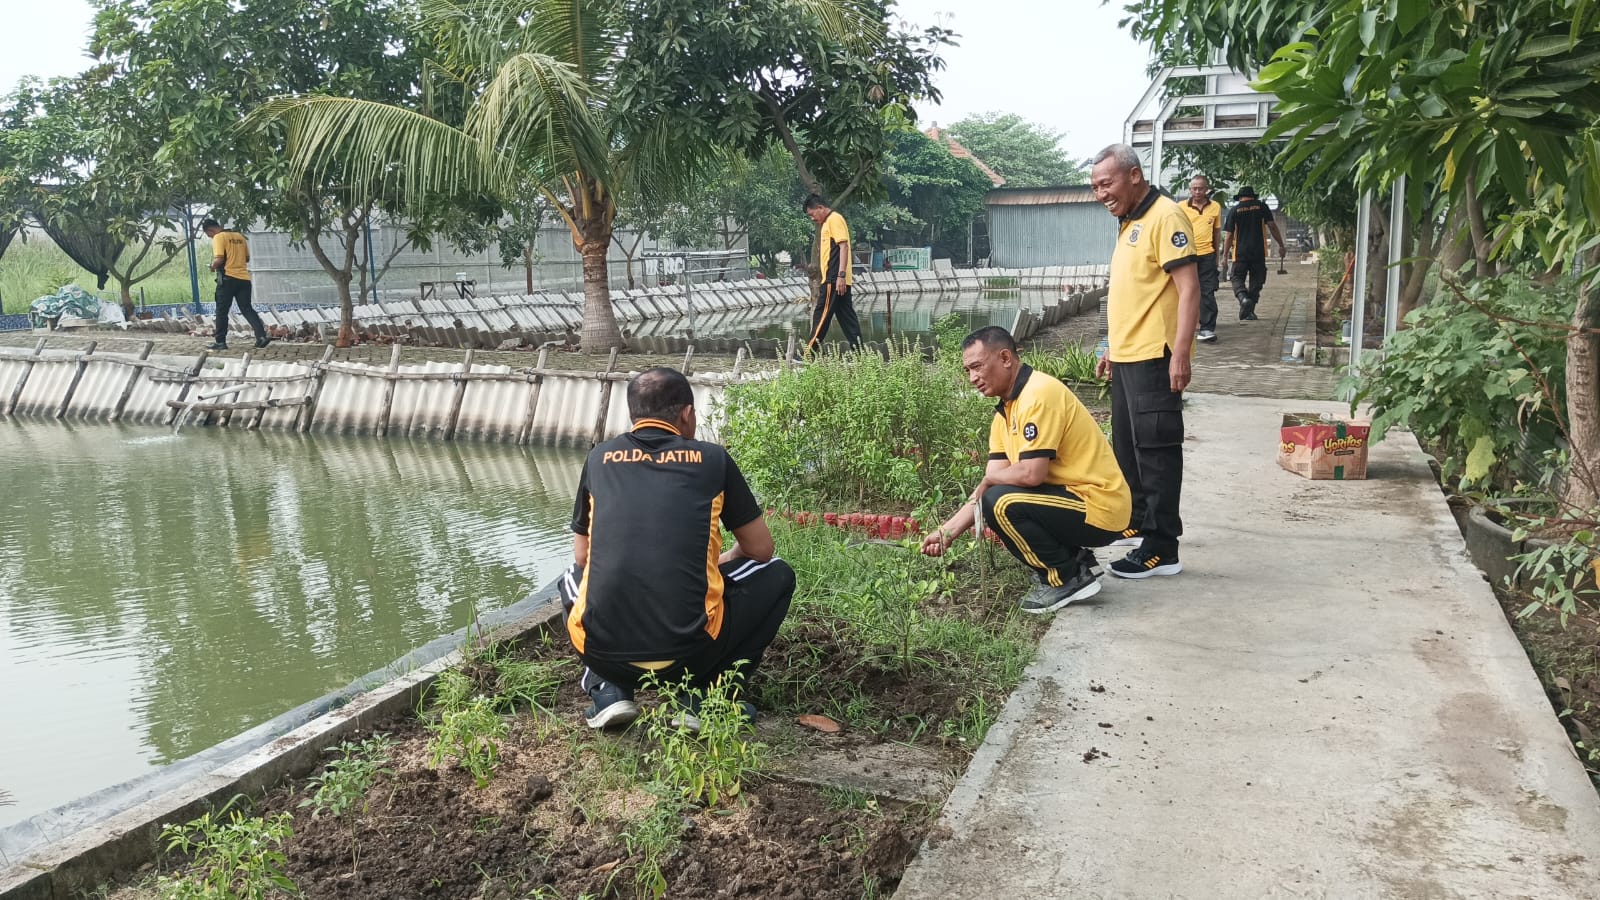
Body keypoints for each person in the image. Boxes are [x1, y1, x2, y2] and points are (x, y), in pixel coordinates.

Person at [558, 367, 795, 729]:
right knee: (777, 574)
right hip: (693, 651)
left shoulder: (599, 459)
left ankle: (608, 690)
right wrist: (720, 562)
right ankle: (708, 698)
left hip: (606, 652)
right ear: (687, 414)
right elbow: (761, 550)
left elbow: (582, 556)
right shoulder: (713, 460)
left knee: (571, 577)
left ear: (633, 415)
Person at [922, 327, 1132, 614]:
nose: (972, 378)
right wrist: (947, 532)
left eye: (977, 367)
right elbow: (988, 485)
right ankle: (1078, 562)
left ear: (1005, 357)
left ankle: (1064, 578)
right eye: (967, 370)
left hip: (1101, 507)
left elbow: (1031, 474)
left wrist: (991, 480)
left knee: (1001, 503)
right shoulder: (1005, 413)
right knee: (995, 496)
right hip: (1073, 501)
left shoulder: (1039, 394)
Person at [1088, 143, 1200, 579]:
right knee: (1129, 450)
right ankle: (1136, 521)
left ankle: (1160, 547)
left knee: (1157, 452)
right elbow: (1138, 292)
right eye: (1096, 186)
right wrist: (1113, 347)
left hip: (1157, 356)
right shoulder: (1129, 220)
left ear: (1134, 175)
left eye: (1107, 183)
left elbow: (1189, 289)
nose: (1101, 193)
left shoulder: (1166, 216)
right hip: (1130, 356)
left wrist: (1183, 354)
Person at [799, 194, 863, 356]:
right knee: (847, 318)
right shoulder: (828, 223)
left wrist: (840, 275)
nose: (812, 218)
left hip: (834, 279)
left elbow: (844, 246)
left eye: (812, 214)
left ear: (820, 207)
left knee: (821, 314)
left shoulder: (834, 219)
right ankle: (861, 355)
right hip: (837, 279)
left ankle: (809, 353)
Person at [1219, 186, 1287, 321]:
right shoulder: (1262, 207)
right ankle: (1250, 310)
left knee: (1236, 277)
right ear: (1253, 196)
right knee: (1257, 280)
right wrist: (1281, 245)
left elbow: (1229, 235)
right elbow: (1272, 226)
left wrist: (1225, 255)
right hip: (1258, 252)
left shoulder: (1234, 210)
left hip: (1240, 253)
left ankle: (1243, 299)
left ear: (1240, 197)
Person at [201, 219, 270, 350]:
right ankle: (261, 337)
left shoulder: (218, 237)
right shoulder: (239, 236)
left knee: (221, 311)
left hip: (227, 279)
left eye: (208, 235)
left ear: (210, 230)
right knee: (247, 309)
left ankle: (220, 342)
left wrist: (212, 266)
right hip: (244, 279)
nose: (210, 237)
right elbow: (247, 258)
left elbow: (219, 258)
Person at [1181, 175, 1223, 343]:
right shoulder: (1181, 207)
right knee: (1185, 291)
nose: (1197, 191)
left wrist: (1217, 256)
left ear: (1207, 189)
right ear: (1190, 189)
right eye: (1194, 188)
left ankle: (1207, 329)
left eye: (1201, 188)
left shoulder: (1215, 207)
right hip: (1186, 255)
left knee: (1207, 291)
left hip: (1207, 254)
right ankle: (1183, 326)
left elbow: (1217, 232)